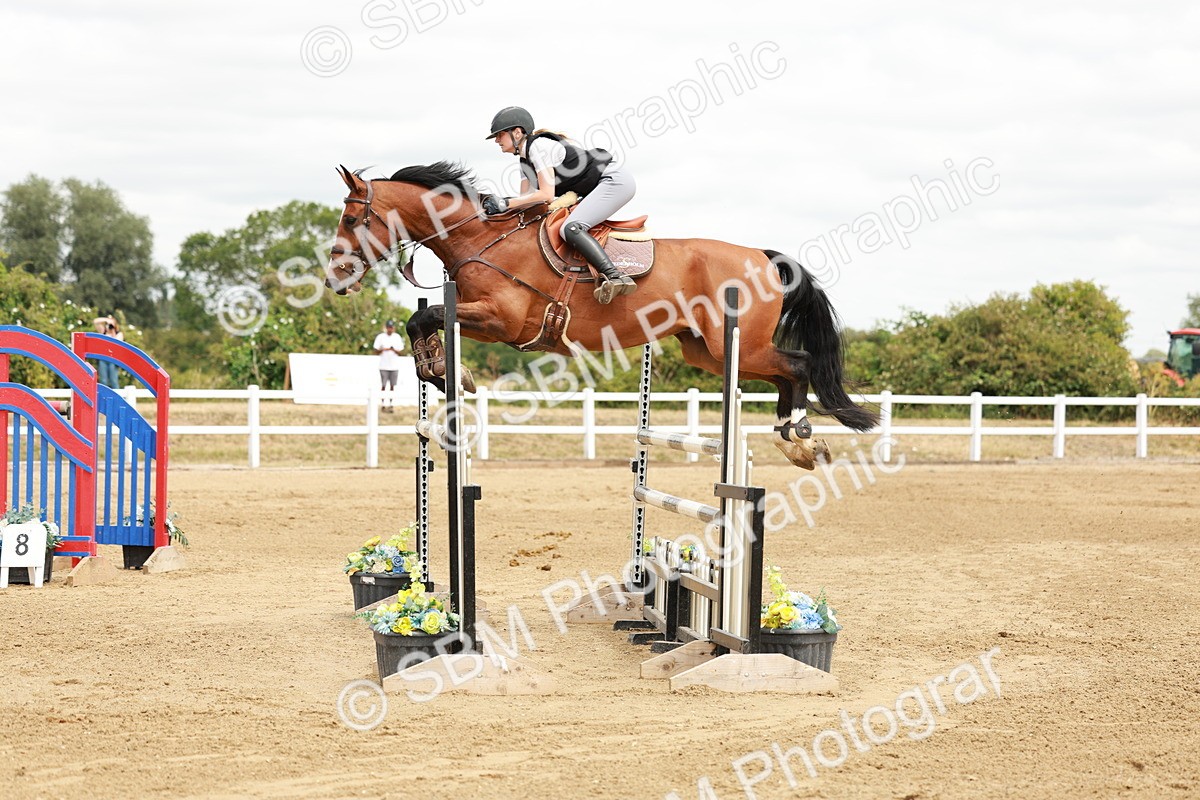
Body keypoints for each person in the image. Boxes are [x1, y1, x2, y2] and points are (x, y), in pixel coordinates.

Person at [482, 106, 637, 305]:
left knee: (571, 228)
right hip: (599, 185)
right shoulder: (524, 162)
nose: (497, 140)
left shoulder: (539, 147)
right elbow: (526, 202)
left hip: (614, 181)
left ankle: (615, 276)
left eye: (500, 135)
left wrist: (505, 202)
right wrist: (495, 209)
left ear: (517, 132)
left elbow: (546, 196)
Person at [372, 320, 405, 413]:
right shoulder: (381, 337)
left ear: (393, 328)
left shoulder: (397, 337)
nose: (390, 329)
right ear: (386, 328)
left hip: (394, 366)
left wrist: (393, 349)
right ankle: (383, 404)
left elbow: (401, 352)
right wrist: (383, 349)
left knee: (392, 386)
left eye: (391, 327)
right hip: (383, 366)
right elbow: (375, 350)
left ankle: (391, 404)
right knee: (383, 385)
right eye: (389, 327)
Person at [91, 315, 124, 389]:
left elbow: (117, 343)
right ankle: (104, 395)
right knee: (103, 381)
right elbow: (95, 321)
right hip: (103, 358)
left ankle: (116, 395)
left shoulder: (119, 334)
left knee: (113, 380)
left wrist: (113, 332)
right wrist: (106, 320)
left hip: (113, 359)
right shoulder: (103, 332)